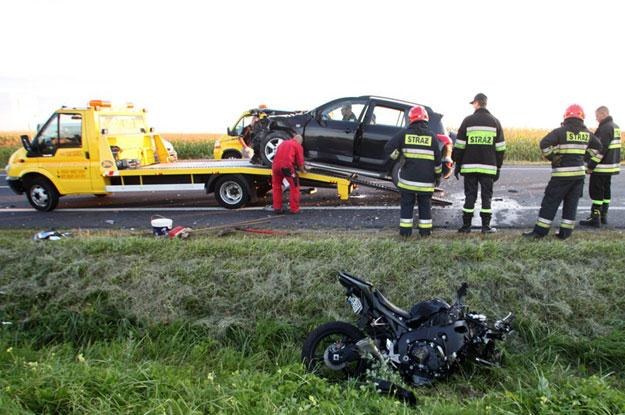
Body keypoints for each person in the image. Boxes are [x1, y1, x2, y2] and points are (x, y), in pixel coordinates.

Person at [523, 104, 603, 239]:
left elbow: (544, 143)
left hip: (561, 175)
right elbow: (598, 147)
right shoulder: (587, 134)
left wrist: (552, 157)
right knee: (571, 205)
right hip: (578, 176)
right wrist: (585, 157)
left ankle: (539, 232)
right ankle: (564, 234)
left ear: (566, 116)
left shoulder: (560, 131)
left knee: (550, 202)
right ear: (582, 117)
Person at [384, 105, 444, 237]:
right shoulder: (432, 137)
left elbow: (388, 148)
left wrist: (399, 158)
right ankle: (425, 233)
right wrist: (438, 177)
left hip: (407, 182)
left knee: (406, 206)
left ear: (411, 119)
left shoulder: (404, 134)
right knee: (425, 207)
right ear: (425, 119)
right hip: (426, 183)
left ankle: (405, 234)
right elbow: (438, 162)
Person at [452, 93, 505, 233]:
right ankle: (486, 227)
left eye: (473, 103)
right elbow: (500, 149)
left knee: (470, 196)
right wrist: (498, 168)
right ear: (485, 103)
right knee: (486, 197)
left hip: (469, 167)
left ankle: (466, 226)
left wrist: (457, 164)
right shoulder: (495, 122)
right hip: (488, 168)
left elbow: (459, 146)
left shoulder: (468, 121)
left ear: (476, 103)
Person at [579, 106, 621, 227]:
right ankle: (603, 216)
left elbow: (600, 149)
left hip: (602, 167)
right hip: (611, 166)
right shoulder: (615, 127)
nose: (596, 119)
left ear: (603, 114)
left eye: (597, 116)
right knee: (606, 190)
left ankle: (595, 217)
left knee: (596, 191)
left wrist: (591, 165)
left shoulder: (605, 128)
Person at [271, 133, 306, 214]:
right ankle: (294, 209)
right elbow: (300, 161)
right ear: (300, 141)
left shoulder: (283, 143)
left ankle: (277, 208)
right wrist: (303, 170)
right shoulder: (297, 145)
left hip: (275, 166)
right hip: (286, 167)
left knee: (276, 187)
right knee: (294, 186)